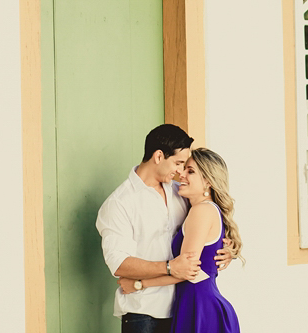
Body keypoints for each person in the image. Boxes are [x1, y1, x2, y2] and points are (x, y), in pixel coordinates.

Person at [96, 125, 233, 333]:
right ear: (159, 156)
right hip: (144, 313)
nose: (180, 172)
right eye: (178, 163)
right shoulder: (120, 203)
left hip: (182, 309)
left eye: (186, 167)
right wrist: (169, 267)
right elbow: (119, 263)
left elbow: (209, 227)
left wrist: (226, 249)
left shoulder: (182, 193)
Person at [118, 148, 243, 333]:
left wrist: (138, 284)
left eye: (190, 171)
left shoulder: (201, 211)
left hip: (200, 307)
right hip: (195, 304)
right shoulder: (203, 209)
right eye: (183, 168)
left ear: (208, 181)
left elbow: (185, 271)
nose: (181, 174)